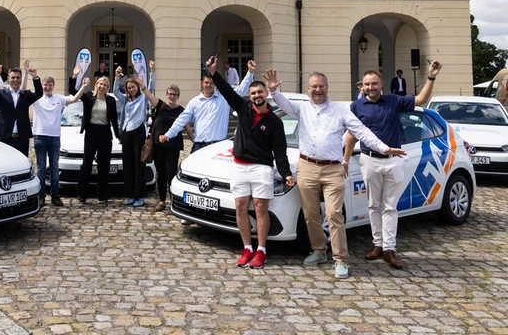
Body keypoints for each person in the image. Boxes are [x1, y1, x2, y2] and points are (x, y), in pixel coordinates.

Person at [263, 68, 406, 279]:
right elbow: (283, 104)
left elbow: (362, 132)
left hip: (332, 169)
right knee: (310, 215)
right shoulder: (302, 108)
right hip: (307, 167)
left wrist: (384, 148)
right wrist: (274, 91)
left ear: (327, 88)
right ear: (308, 89)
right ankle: (319, 251)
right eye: (314, 87)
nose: (317, 90)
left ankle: (341, 260)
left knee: (333, 215)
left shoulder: (341, 111)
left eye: (321, 86)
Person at [344, 61, 443, 270]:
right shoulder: (356, 106)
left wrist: (431, 76)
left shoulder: (394, 101)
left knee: (390, 207)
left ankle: (389, 249)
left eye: (374, 84)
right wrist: (345, 159)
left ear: (381, 84)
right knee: (373, 206)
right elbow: (352, 135)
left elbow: (422, 99)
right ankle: (377, 245)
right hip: (369, 160)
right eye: (367, 84)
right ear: (362, 86)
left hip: (393, 162)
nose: (371, 87)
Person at [207, 58, 293, 269]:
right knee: (240, 208)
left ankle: (261, 250)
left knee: (261, 209)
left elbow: (280, 151)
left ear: (266, 95)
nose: (256, 96)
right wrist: (213, 73)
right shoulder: (243, 106)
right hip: (238, 166)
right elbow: (227, 90)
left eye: (259, 93)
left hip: (261, 168)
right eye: (253, 93)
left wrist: (286, 172)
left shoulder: (275, 122)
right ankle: (247, 248)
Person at [161, 60, 258, 154]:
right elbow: (181, 120)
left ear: (215, 84)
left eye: (211, 83)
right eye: (206, 82)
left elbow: (241, 90)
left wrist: (250, 72)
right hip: (199, 146)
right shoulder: (194, 102)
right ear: (202, 83)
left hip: (218, 145)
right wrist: (168, 134)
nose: (209, 85)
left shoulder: (224, 99)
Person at [33, 67, 88, 207]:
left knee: (54, 168)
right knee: (40, 168)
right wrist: (31, 74)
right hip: (40, 136)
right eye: (45, 85)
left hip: (55, 137)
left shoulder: (59, 98)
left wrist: (83, 86)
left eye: (50, 85)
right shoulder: (37, 98)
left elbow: (75, 99)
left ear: (53, 86)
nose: (47, 87)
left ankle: (55, 195)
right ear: (42, 86)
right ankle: (41, 196)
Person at [140, 80, 192, 213]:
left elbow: (187, 128)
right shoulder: (160, 105)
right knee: (161, 173)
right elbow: (149, 96)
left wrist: (195, 141)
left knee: (171, 173)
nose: (172, 96)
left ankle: (173, 201)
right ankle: (162, 201)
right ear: (166, 94)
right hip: (158, 145)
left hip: (173, 146)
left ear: (178, 96)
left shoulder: (181, 110)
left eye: (174, 94)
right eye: (170, 94)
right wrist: (143, 86)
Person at [69, 75, 120, 203]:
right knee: (87, 164)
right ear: (96, 85)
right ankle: (82, 193)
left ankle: (102, 195)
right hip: (91, 132)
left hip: (105, 133)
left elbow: (114, 120)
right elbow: (72, 91)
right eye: (100, 84)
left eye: (104, 85)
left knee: (104, 165)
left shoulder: (111, 101)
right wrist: (75, 77)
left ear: (107, 88)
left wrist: (118, 136)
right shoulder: (88, 97)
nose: (102, 87)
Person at [0, 63, 43, 156]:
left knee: (22, 164)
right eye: (13, 77)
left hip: (21, 138)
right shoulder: (2, 94)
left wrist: (35, 76)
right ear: (8, 79)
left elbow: (39, 94)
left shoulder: (26, 95)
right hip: (5, 136)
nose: (15, 80)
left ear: (21, 79)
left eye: (17, 77)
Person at [113, 68, 149, 207]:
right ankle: (130, 195)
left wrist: (150, 72)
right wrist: (117, 77)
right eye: (129, 88)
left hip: (138, 131)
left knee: (138, 164)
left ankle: (139, 195)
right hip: (127, 132)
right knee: (127, 164)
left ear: (137, 87)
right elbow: (116, 92)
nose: (131, 89)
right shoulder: (126, 100)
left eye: (133, 87)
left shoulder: (143, 98)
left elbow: (151, 88)